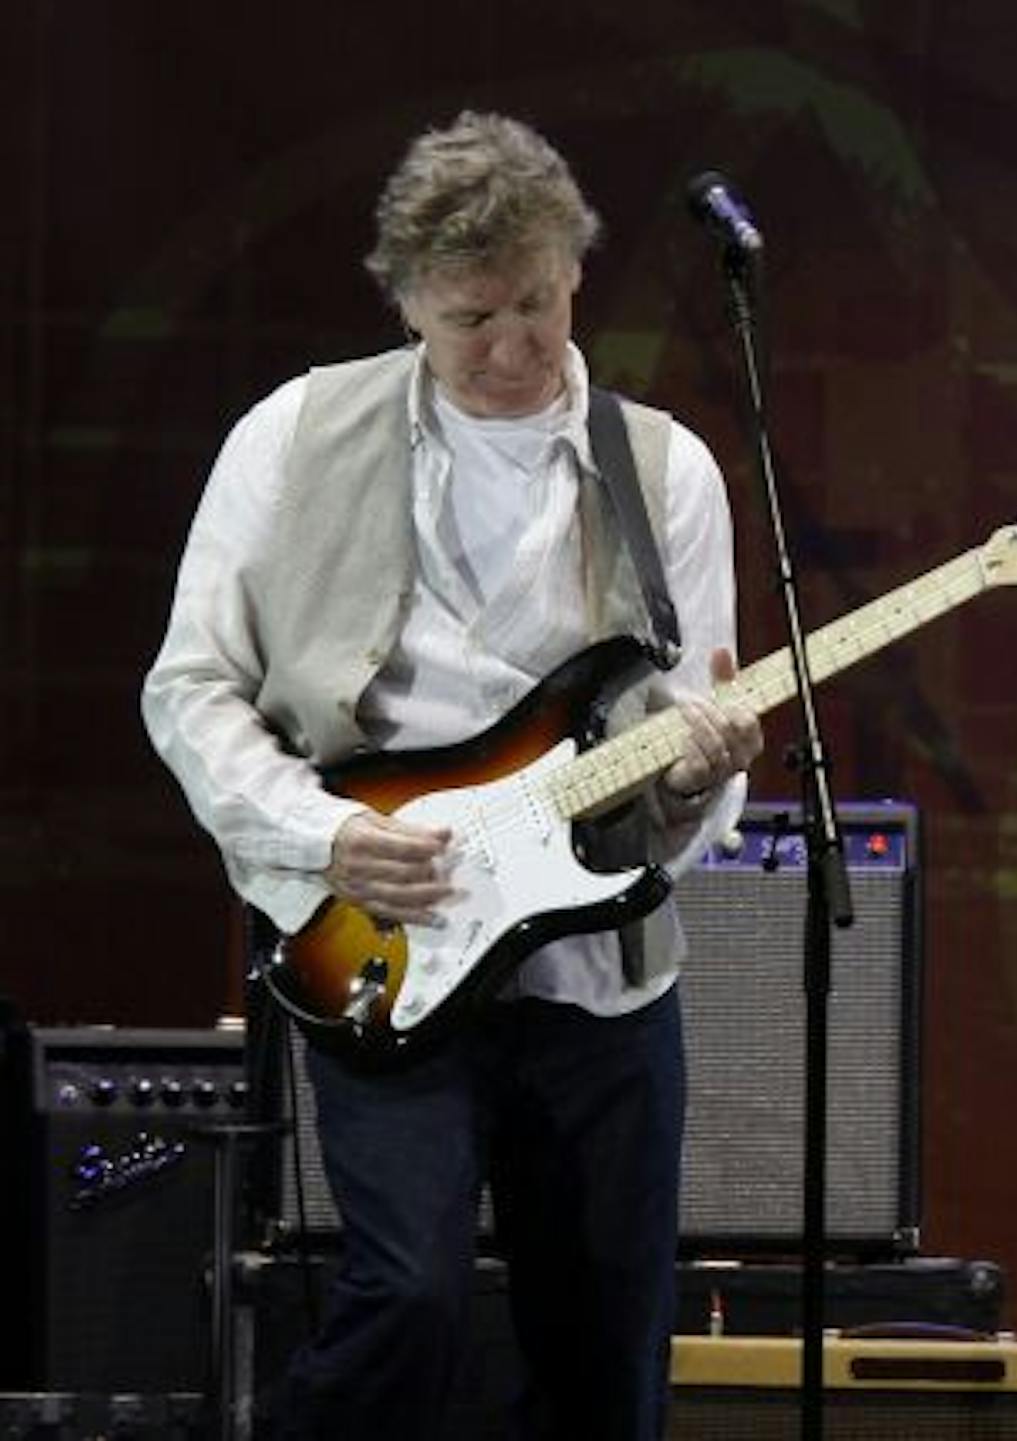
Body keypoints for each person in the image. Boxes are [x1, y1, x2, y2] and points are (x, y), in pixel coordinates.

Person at [141, 112, 763, 1439]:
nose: (510, 347)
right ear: (408, 298)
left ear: (575, 271)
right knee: (409, 1303)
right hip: (383, 939)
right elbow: (190, 685)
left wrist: (700, 777)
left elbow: (689, 768)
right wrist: (318, 834)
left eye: (534, 305)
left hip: (598, 981)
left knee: (606, 1362)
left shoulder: (666, 474)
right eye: (470, 317)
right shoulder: (294, 435)